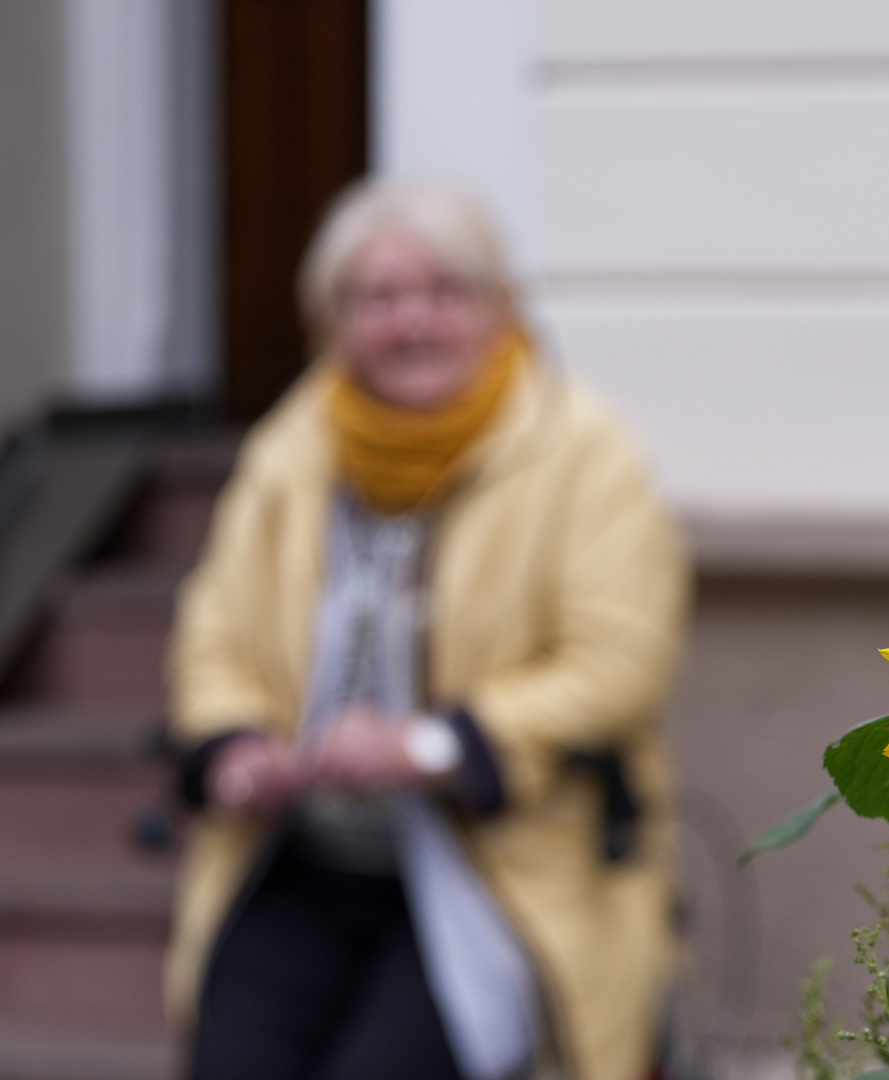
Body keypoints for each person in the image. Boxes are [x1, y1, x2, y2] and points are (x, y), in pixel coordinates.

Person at [164, 179, 689, 1080]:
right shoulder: (289, 450)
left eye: (446, 293)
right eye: (380, 298)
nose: (414, 323)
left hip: (499, 863)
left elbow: (618, 664)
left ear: (500, 307)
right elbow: (215, 627)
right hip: (305, 850)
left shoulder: (585, 453)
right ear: (332, 321)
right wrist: (232, 743)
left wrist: (427, 744)